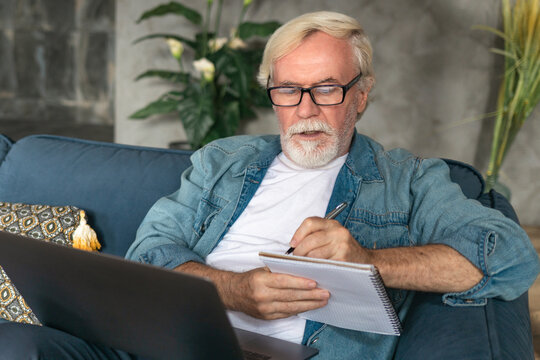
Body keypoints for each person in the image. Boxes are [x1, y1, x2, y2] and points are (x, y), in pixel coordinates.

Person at [126, 11, 539, 359]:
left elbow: (512, 258)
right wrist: (233, 290)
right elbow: (147, 252)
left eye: (326, 88)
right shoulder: (222, 159)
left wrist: (368, 262)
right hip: (163, 340)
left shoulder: (408, 179)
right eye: (288, 90)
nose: (305, 109)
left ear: (360, 95)